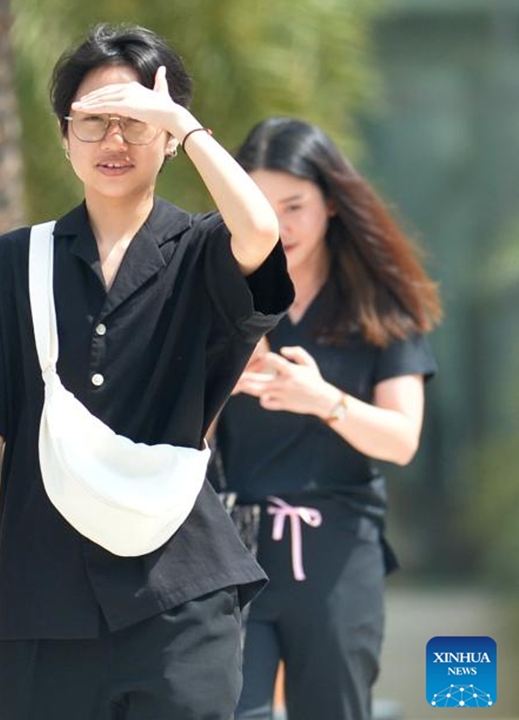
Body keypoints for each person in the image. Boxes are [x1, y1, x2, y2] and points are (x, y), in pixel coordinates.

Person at [0, 23, 294, 720]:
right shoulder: (15, 263)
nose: (114, 142)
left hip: (181, 598)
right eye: (93, 123)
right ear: (65, 136)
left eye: (135, 123)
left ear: (166, 137)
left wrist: (185, 125)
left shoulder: (202, 250)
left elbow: (260, 233)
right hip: (40, 605)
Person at [215, 117, 441, 720]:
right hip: (235, 553)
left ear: (332, 203)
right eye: (260, 205)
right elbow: (178, 437)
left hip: (341, 553)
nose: (279, 224)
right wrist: (214, 389)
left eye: (294, 205)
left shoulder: (381, 305)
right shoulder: (221, 299)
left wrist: (322, 399)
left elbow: (401, 440)